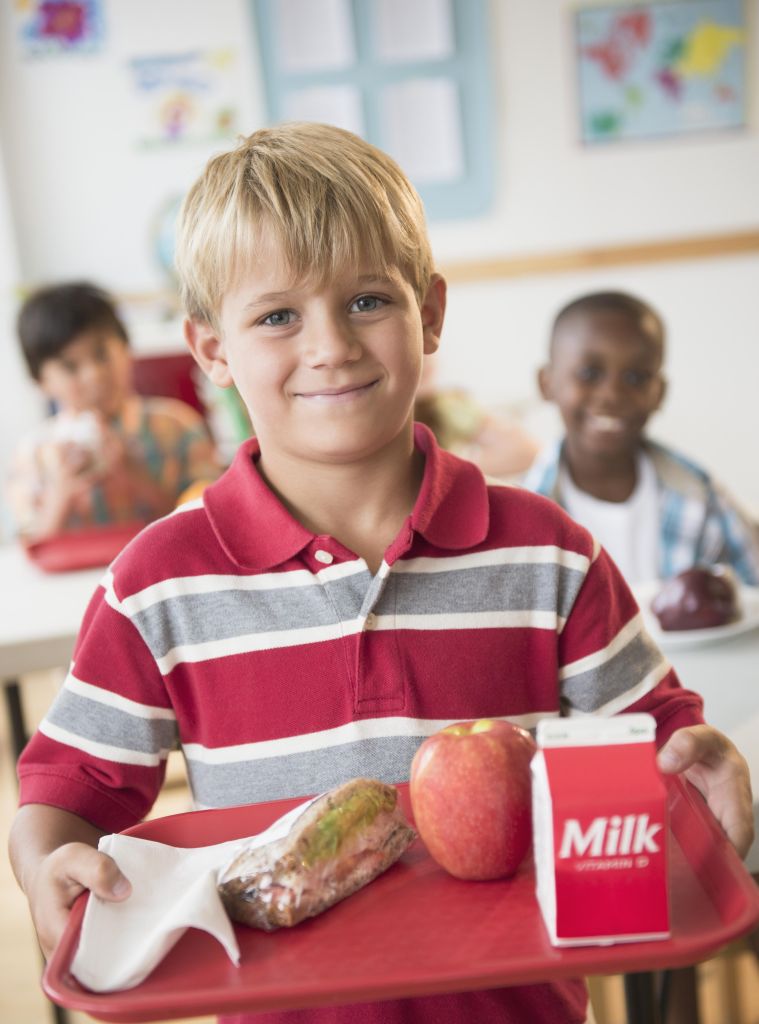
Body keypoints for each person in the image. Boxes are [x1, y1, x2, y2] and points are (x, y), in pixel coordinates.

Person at [9, 125, 753, 1024]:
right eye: (278, 315)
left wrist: (702, 762)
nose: (331, 346)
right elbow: (64, 795)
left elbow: (660, 746)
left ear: (429, 312)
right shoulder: (156, 587)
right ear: (211, 350)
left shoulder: (548, 554)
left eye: (366, 300)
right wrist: (49, 861)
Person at [523, 290, 759, 586]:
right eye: (589, 373)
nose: (612, 394)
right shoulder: (525, 515)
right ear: (547, 383)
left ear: (659, 393)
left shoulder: (701, 497)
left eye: (636, 378)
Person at [6, 281, 222, 540]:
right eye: (70, 367)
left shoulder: (178, 426)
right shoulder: (33, 453)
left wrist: (136, 478)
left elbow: (210, 523)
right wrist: (61, 493)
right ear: (40, 382)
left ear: (126, 347)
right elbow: (31, 545)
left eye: (101, 354)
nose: (94, 375)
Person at [413, 351, 539, 480]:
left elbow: (525, 451)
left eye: (431, 334)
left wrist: (449, 471)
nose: (424, 357)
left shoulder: (450, 406)